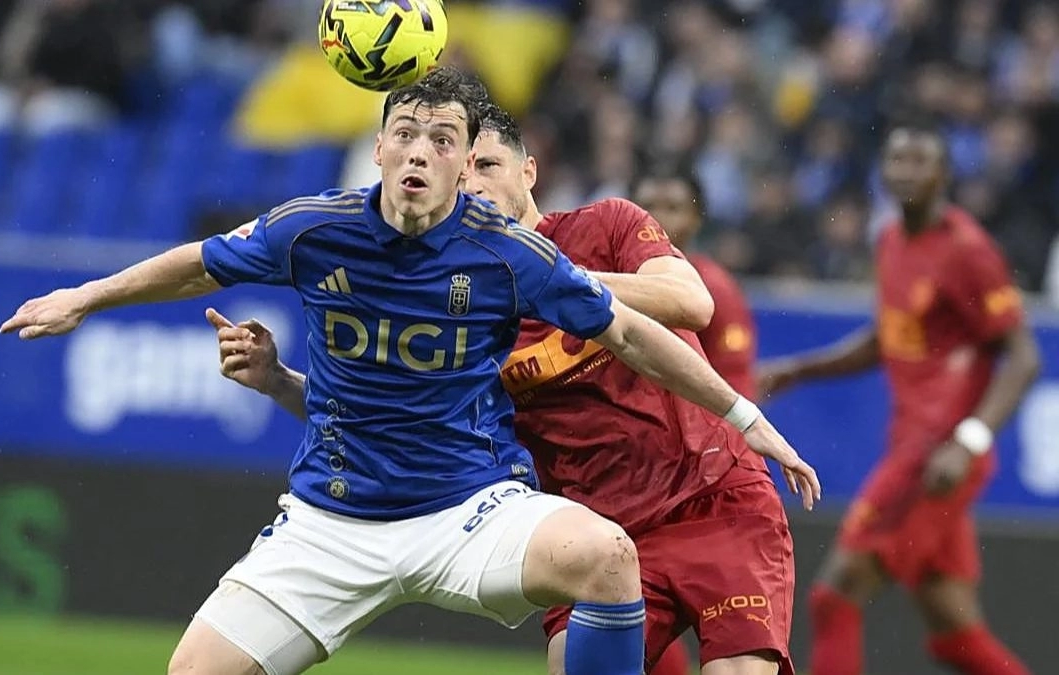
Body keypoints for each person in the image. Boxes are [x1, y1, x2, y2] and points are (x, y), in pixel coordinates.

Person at [1, 68, 818, 675]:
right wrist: (87, 295)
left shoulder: (520, 255)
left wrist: (748, 420)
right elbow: (202, 265)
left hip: (470, 509)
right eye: (407, 135)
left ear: (470, 163)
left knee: (605, 558)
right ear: (380, 146)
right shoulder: (314, 229)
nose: (422, 153)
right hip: (331, 519)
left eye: (446, 141)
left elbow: (655, 325)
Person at [211, 102, 808, 675]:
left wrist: (540, 277)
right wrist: (279, 380)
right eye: (463, 174)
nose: (475, 185)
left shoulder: (607, 225)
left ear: (530, 171)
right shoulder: (449, 303)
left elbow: (689, 300)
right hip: (595, 535)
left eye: (490, 167)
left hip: (713, 501)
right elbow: (373, 421)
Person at [759, 121, 1041, 675]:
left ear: (943, 174)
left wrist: (968, 440)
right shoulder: (890, 240)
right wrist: (798, 370)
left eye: (919, 162)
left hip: (937, 457)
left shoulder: (968, 251)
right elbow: (889, 338)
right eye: (896, 160)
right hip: (916, 446)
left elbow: (1024, 357)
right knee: (954, 630)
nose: (905, 172)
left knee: (834, 596)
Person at [632, 166, 758, 399]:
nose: (656, 218)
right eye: (646, 206)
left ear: (696, 219)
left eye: (673, 208)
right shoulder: (605, 282)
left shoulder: (716, 290)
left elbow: (736, 389)